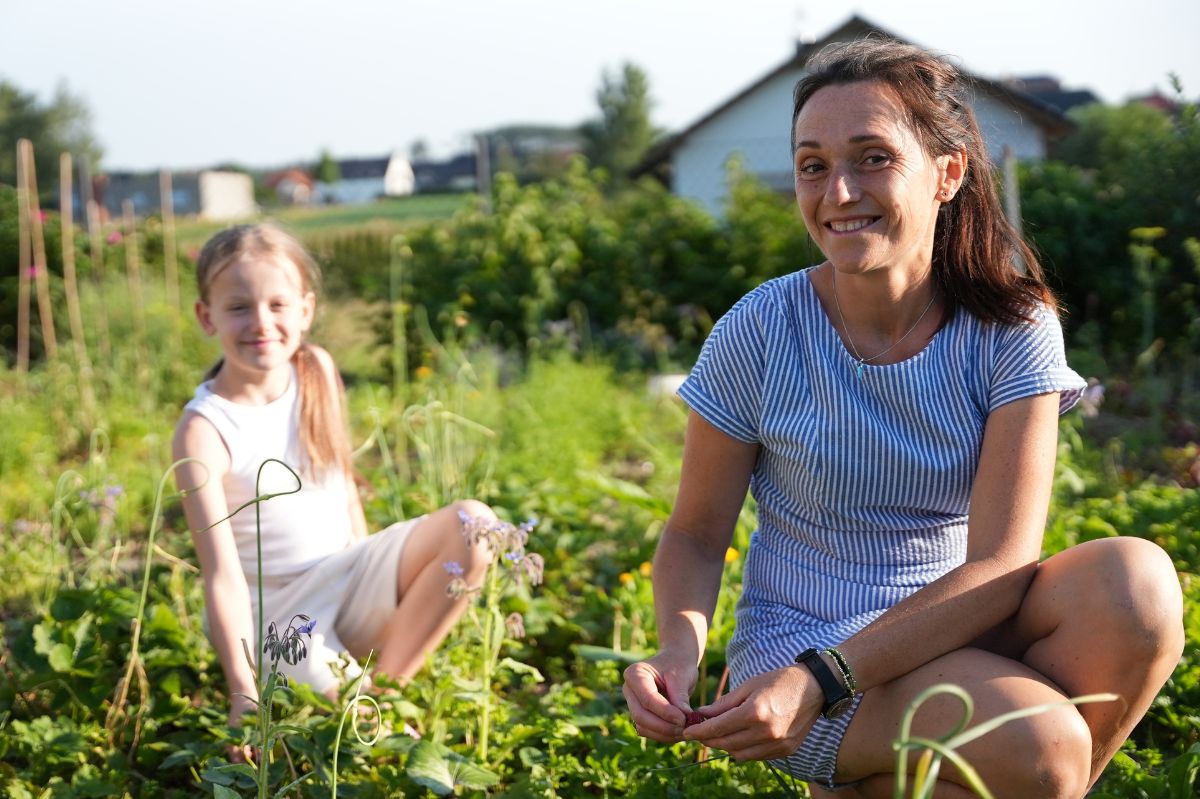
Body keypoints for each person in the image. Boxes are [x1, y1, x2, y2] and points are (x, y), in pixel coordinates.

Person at [622, 39, 1184, 798]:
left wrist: (832, 677)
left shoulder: (1010, 326)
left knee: (1137, 585)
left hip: (948, 625)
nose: (839, 191)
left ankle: (873, 783)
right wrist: (678, 652)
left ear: (948, 173)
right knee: (1047, 746)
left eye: (873, 157)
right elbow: (695, 532)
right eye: (813, 165)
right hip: (797, 650)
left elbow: (1001, 563)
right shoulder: (760, 329)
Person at [173, 223, 492, 735]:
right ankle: (357, 702)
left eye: (278, 304)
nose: (261, 322)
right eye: (238, 307)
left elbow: (342, 487)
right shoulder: (204, 430)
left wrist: (375, 581)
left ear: (306, 309)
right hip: (276, 611)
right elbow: (222, 576)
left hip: (345, 573)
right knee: (338, 709)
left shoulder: (315, 369)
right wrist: (242, 692)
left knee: (474, 526)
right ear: (206, 317)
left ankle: (387, 691)